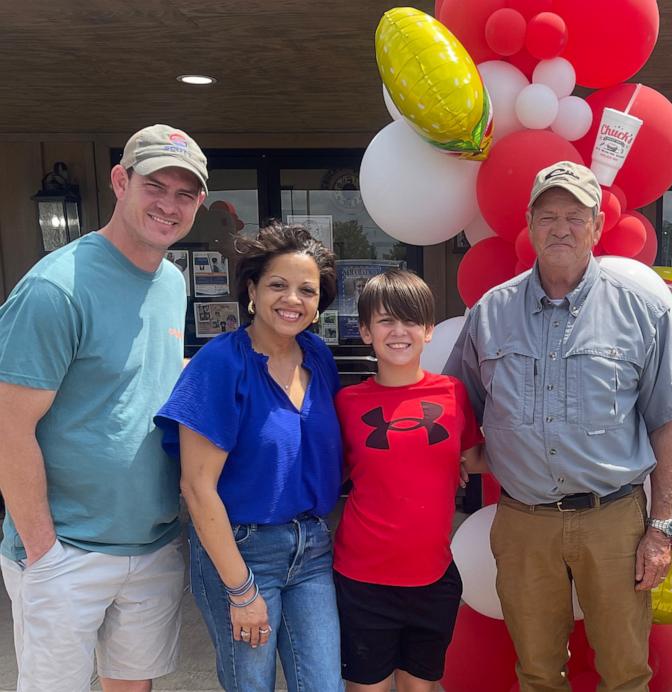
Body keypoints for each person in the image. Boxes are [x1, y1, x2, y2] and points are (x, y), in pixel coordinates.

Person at [445, 161, 672, 692]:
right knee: (536, 671)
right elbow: (458, 405)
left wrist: (661, 528)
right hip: (524, 523)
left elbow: (667, 423)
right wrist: (468, 458)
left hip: (615, 521)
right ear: (530, 226)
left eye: (575, 216)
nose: (561, 227)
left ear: (598, 226)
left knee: (627, 671)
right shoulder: (490, 313)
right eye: (548, 215)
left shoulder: (643, 312)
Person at [0, 124, 208, 691]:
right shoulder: (55, 288)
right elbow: (8, 427)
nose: (169, 205)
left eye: (184, 194)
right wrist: (43, 551)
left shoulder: (170, 280)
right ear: (120, 181)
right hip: (67, 548)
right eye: (155, 186)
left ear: (199, 204)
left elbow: (141, 383)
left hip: (153, 540)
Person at [155, 223, 345, 691]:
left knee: (323, 683)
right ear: (252, 291)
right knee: (251, 685)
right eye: (278, 285)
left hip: (312, 547)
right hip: (241, 550)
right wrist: (241, 591)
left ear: (319, 303)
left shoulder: (318, 356)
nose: (292, 299)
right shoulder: (221, 364)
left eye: (307, 290)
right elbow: (197, 489)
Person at [332, 269, 485, 692]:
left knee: (420, 688)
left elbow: (476, 457)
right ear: (365, 331)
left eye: (411, 320)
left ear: (429, 330)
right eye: (385, 320)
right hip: (363, 581)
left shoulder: (453, 394)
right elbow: (325, 472)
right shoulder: (347, 402)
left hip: (433, 578)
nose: (399, 331)